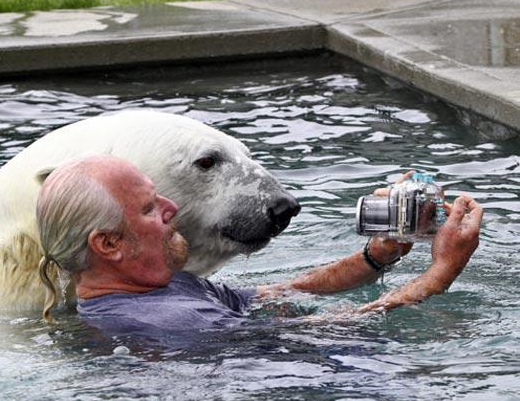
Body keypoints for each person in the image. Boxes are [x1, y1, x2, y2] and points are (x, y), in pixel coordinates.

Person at [36, 157, 482, 343]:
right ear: (109, 244)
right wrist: (439, 274)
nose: (173, 208)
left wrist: (377, 255)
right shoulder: (168, 320)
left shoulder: (157, 294)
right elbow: (325, 333)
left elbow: (281, 294)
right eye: (151, 208)